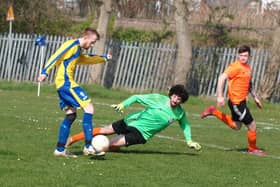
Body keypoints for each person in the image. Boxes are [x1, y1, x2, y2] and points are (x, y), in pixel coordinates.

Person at [38, 28, 112, 158]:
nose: (92, 45)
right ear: (85, 37)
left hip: (62, 84)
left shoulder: (78, 50)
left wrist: (103, 58)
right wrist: (45, 71)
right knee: (89, 107)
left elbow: (86, 59)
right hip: (66, 83)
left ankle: (60, 149)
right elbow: (56, 56)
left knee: (70, 115)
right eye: (92, 42)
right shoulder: (71, 45)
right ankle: (89, 146)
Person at [66, 85, 201, 153]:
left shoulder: (179, 113)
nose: (176, 100)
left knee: (108, 145)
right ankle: (72, 139)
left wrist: (189, 141)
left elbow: (186, 126)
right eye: (175, 96)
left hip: (141, 134)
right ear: (171, 94)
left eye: (179, 99)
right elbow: (136, 97)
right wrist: (122, 104)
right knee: (104, 131)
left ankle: (92, 149)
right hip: (131, 121)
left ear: (182, 101)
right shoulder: (158, 98)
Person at [201, 45, 265, 156]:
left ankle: (213, 111)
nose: (243, 58)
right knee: (252, 125)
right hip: (236, 103)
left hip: (241, 102)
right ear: (238, 55)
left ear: (249, 56)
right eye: (241, 55)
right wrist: (220, 96)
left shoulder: (248, 68)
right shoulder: (235, 67)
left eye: (245, 55)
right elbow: (221, 78)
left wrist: (255, 97)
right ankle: (252, 149)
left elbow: (249, 84)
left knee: (237, 126)